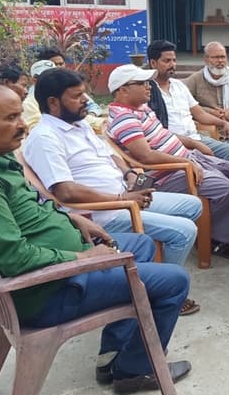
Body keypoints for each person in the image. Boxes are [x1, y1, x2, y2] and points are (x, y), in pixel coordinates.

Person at [0, 82, 192, 395]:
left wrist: (71, 218)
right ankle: (135, 371)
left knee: (141, 243)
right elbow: (14, 258)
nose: (22, 125)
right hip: (50, 289)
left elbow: (29, 207)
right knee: (174, 281)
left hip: (59, 266)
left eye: (20, 115)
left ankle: (114, 350)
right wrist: (83, 258)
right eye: (11, 118)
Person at [22, 68, 203, 315]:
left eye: (84, 94)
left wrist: (129, 175)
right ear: (53, 102)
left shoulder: (79, 124)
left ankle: (156, 271)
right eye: (77, 96)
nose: (85, 100)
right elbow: (65, 192)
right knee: (184, 231)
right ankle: (161, 292)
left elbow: (110, 155)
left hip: (125, 195)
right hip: (104, 213)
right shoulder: (45, 138)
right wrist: (121, 199)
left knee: (193, 205)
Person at [106, 64, 229, 259]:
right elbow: (146, 156)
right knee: (225, 188)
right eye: (142, 83)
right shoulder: (124, 119)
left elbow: (164, 134)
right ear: (123, 90)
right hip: (167, 174)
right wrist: (186, 163)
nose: (149, 86)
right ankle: (216, 239)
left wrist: (193, 143)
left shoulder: (141, 109)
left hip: (186, 159)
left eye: (148, 82)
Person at [146, 40, 229, 161]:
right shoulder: (147, 91)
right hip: (170, 145)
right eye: (167, 61)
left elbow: (200, 114)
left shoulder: (179, 86)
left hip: (196, 139)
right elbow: (155, 132)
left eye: (174, 60)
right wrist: (194, 144)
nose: (172, 64)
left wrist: (224, 123)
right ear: (153, 63)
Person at [183, 41, 229, 129]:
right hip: (206, 126)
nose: (220, 61)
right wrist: (210, 112)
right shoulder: (195, 79)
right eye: (215, 57)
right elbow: (185, 103)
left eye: (223, 57)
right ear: (206, 59)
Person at [22, 59, 56, 129]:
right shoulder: (28, 104)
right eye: (48, 77)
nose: (54, 80)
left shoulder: (64, 97)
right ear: (35, 80)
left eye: (56, 76)